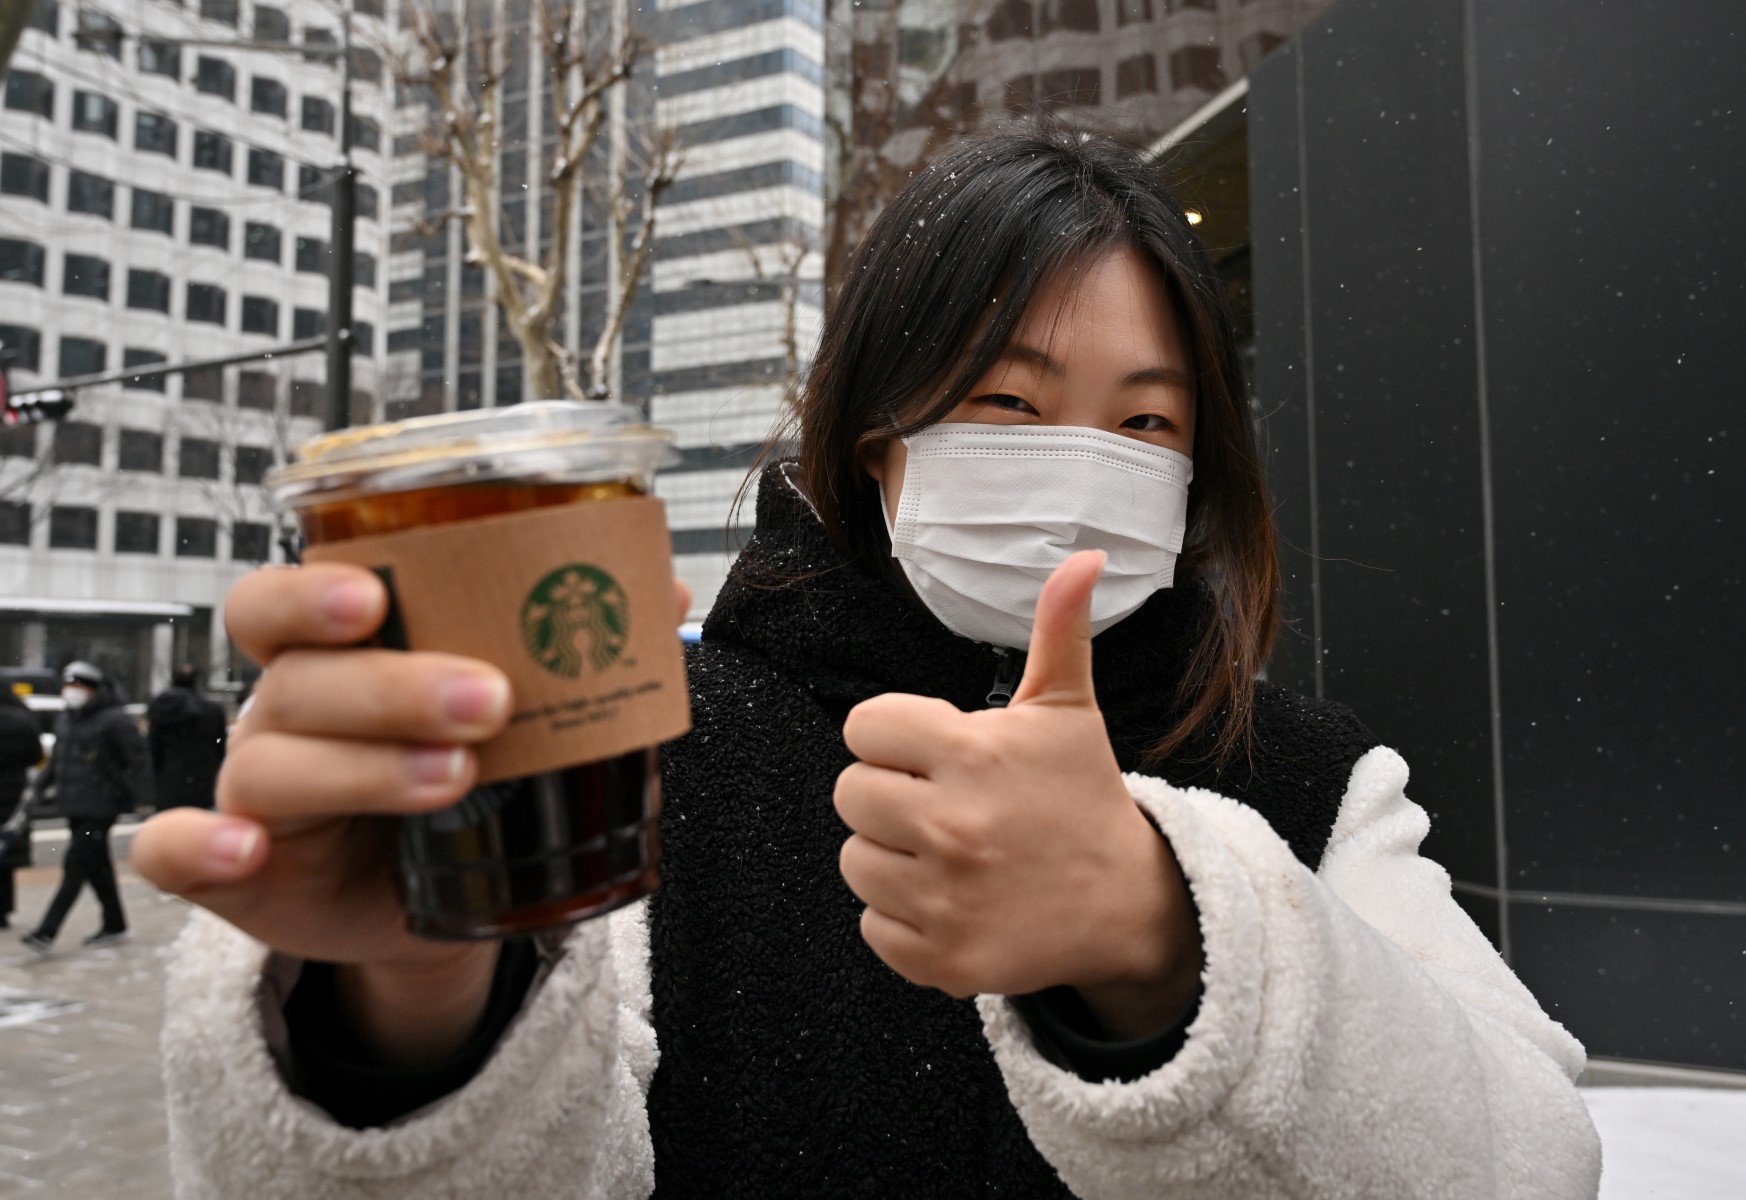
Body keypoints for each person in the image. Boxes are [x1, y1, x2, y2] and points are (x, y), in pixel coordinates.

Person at [133, 128, 1602, 1197]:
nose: (1079, 469)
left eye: (1146, 424)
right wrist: (401, 1023)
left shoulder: (1311, 781)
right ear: (875, 440)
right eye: (1008, 403)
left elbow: (1532, 1166)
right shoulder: (638, 754)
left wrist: (1169, 938)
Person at [19, 661, 152, 952]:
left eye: (78, 686)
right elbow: (58, 761)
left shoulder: (116, 719)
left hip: (102, 806)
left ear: (94, 690)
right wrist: (38, 788)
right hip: (74, 804)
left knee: (75, 865)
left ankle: (47, 931)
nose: (71, 692)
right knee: (98, 868)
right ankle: (115, 925)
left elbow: (138, 760)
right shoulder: (68, 718)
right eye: (68, 686)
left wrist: (143, 800)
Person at [147, 664, 227, 811]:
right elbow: (219, 745)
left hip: (168, 778)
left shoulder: (160, 708)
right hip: (202, 779)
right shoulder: (212, 710)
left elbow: (153, 745)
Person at [0, 687, 43, 929]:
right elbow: (35, 755)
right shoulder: (22, 720)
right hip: (12, 792)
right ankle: (3, 909)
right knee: (5, 852)